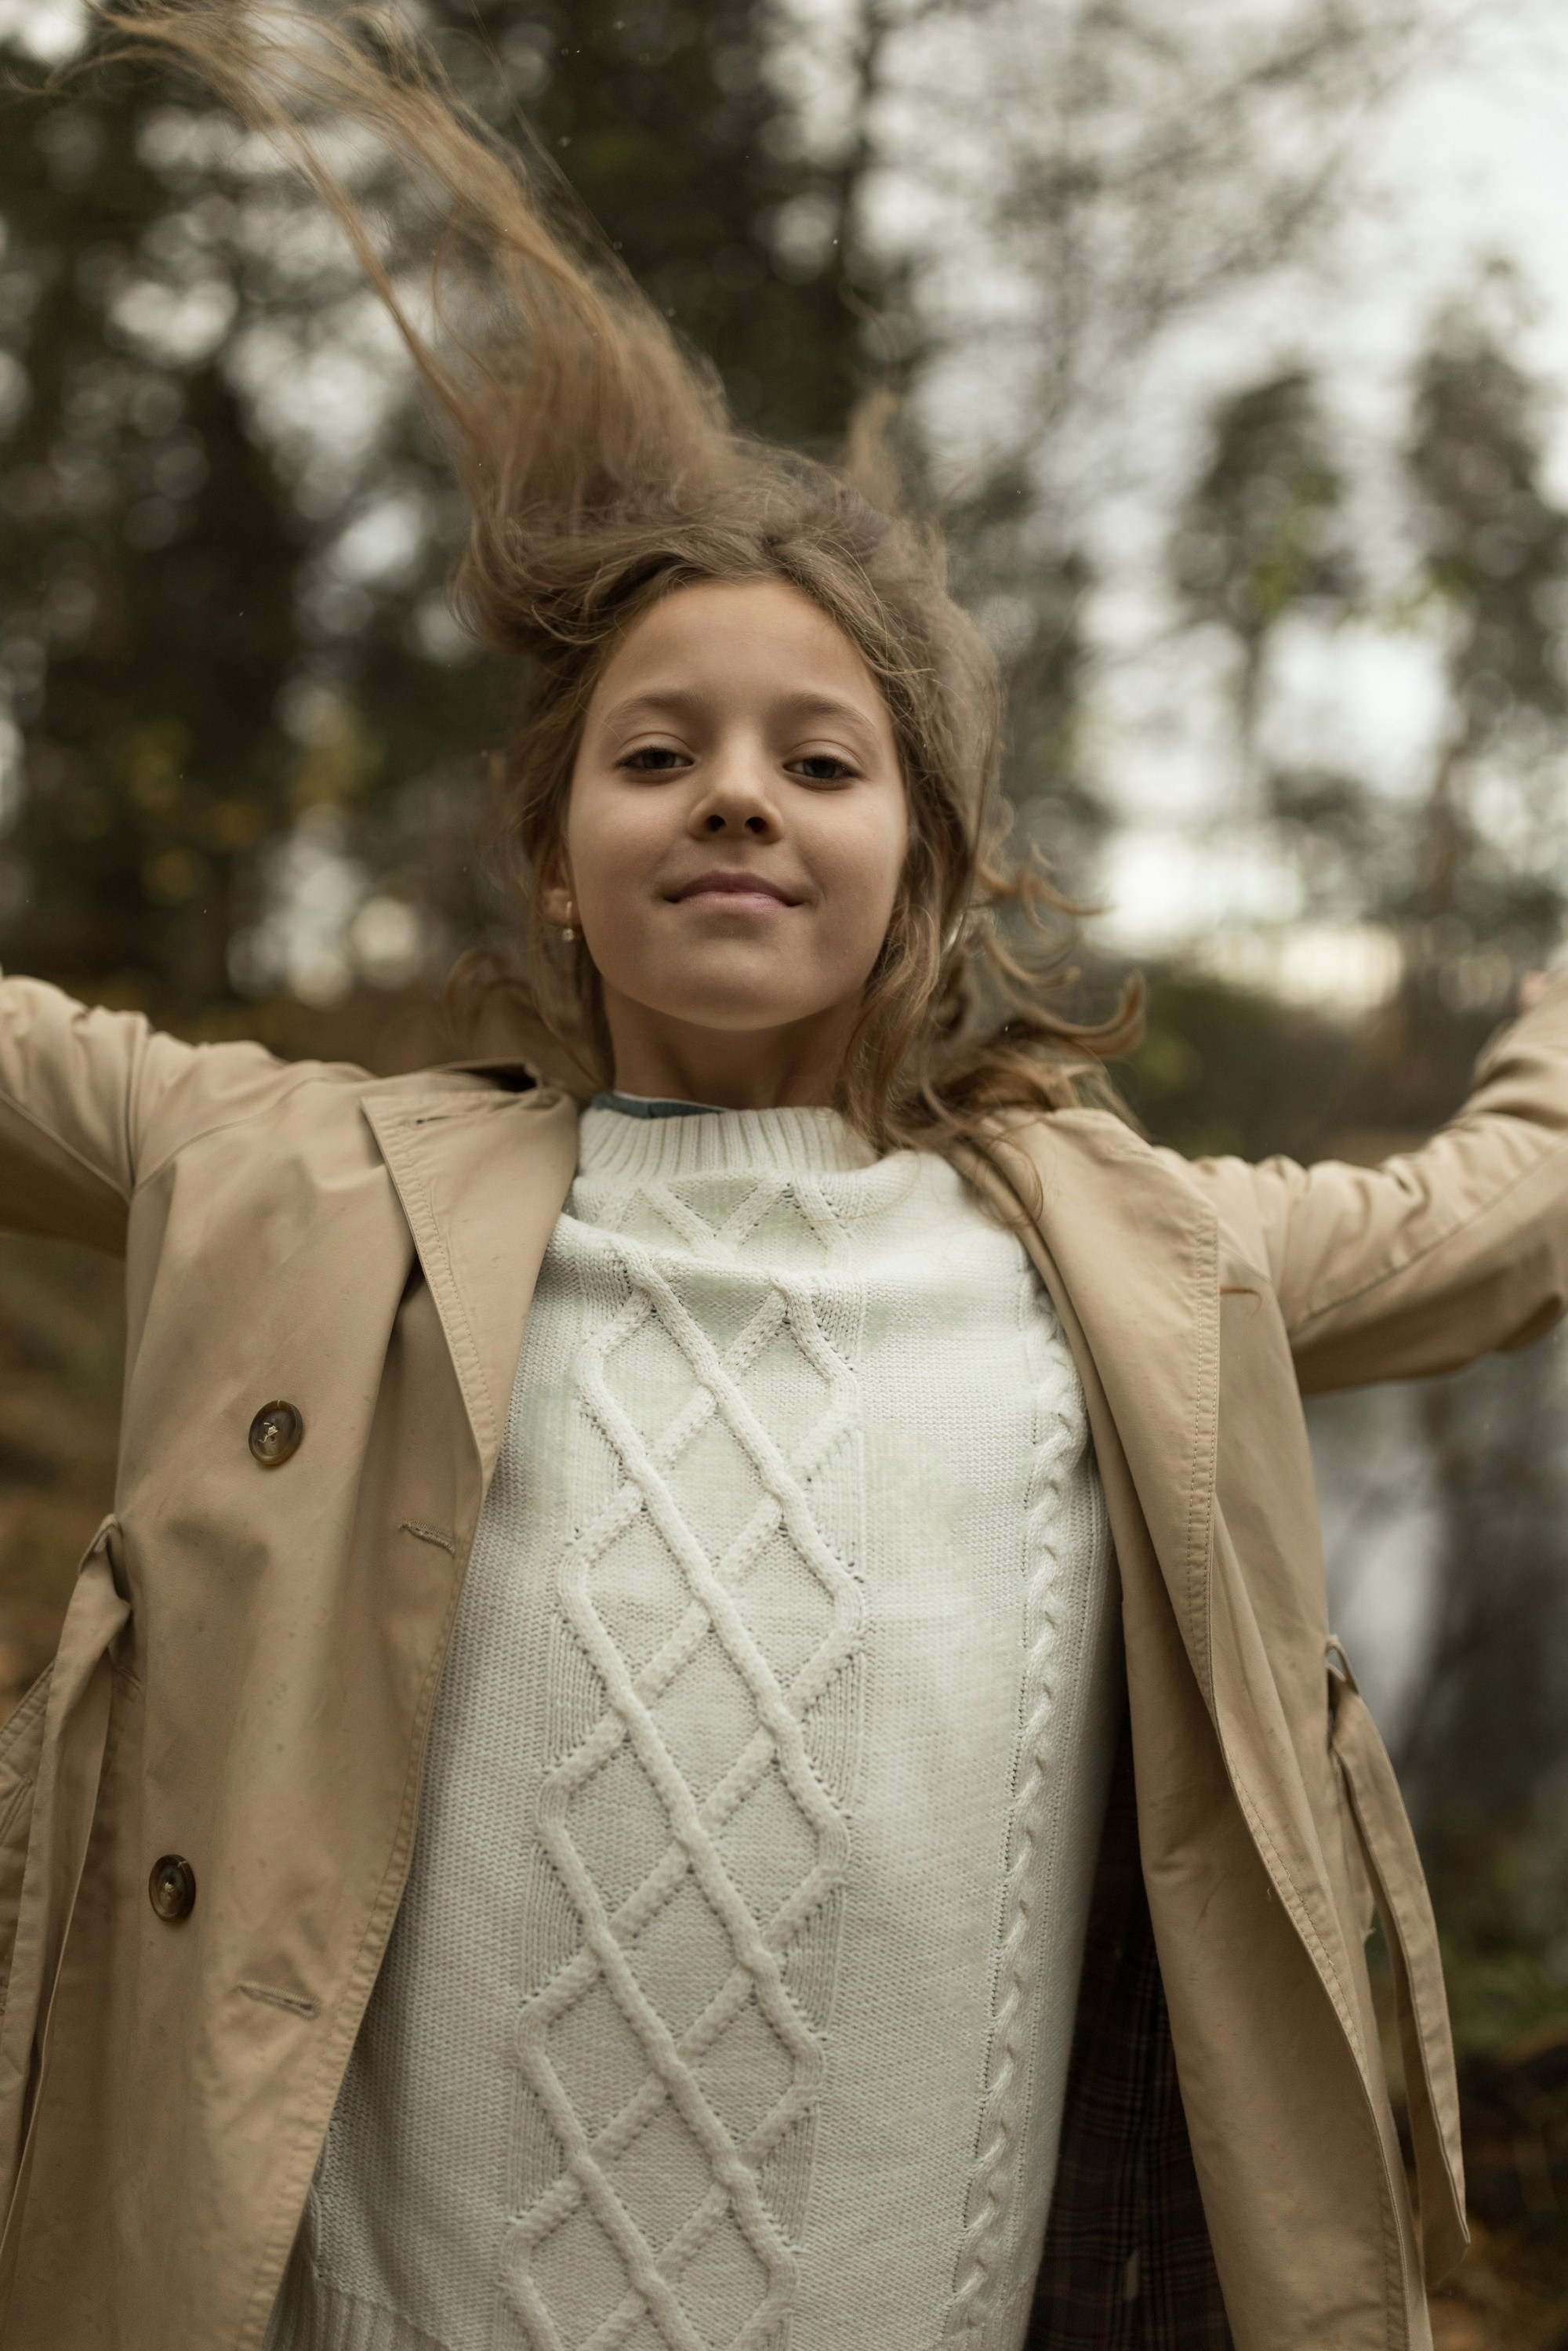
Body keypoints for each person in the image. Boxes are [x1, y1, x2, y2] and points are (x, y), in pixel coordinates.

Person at [0, 8, 1564, 2349]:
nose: (736, 792)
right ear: (556, 863)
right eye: (660, 752)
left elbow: (1506, 1210)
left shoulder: (1127, 1260)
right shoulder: (304, 1179)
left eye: (819, 758)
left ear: (920, 866)